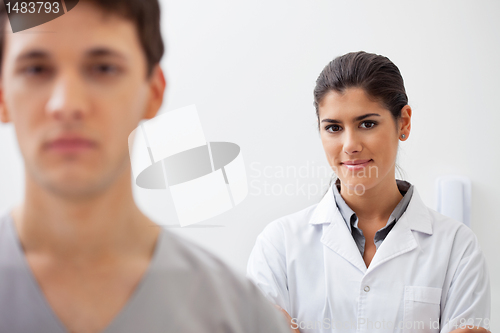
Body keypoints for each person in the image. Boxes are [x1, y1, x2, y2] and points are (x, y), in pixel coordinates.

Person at [0, 1, 290, 332]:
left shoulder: (242, 317)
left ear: (153, 92)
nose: (67, 104)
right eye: (36, 69)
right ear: (2, 95)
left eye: (103, 68)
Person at [246, 51, 491, 333]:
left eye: (367, 124)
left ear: (404, 122)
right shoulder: (278, 245)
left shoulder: (458, 248)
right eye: (334, 128)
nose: (350, 144)